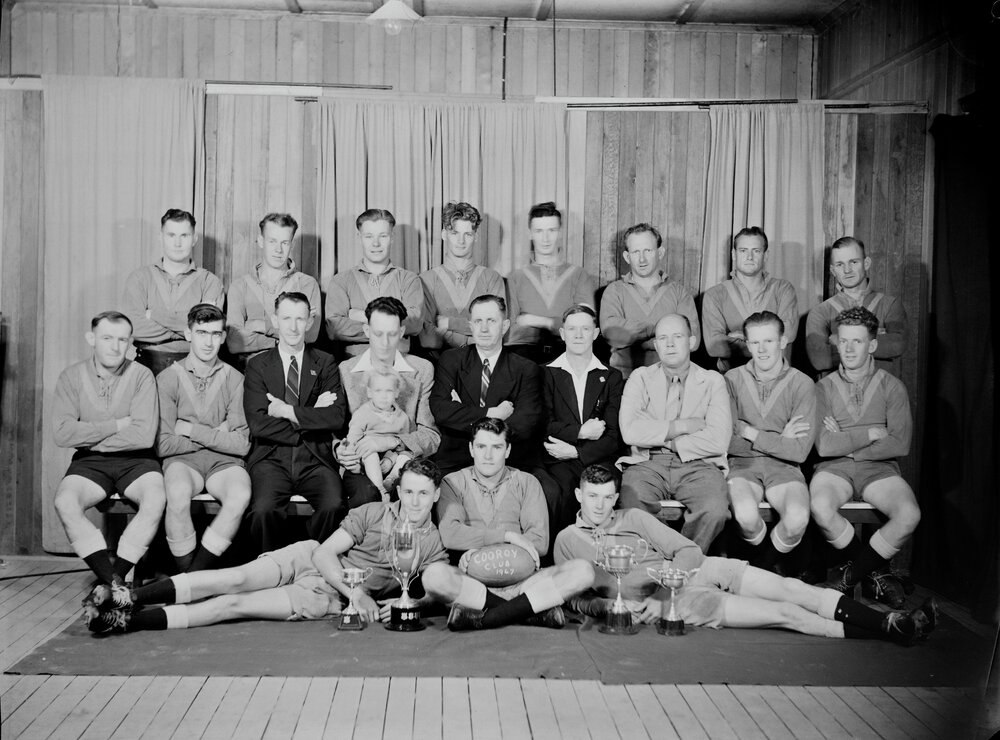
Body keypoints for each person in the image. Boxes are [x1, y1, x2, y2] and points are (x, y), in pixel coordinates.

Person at [554, 464, 937, 646]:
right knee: (786, 616)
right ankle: (892, 632)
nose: (601, 505)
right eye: (592, 496)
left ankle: (890, 623)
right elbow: (575, 597)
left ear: (615, 496)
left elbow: (687, 550)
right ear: (578, 495)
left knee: (792, 589)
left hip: (691, 574)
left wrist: (662, 589)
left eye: (607, 497)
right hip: (686, 603)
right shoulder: (569, 539)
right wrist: (605, 609)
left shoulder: (633, 515)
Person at [85, 458, 449, 633]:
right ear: (399, 490)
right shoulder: (372, 511)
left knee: (232, 605)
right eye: (409, 491)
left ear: (434, 497)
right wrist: (356, 594)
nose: (415, 501)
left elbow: (437, 592)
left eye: (424, 494)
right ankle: (129, 597)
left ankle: (127, 623)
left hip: (326, 597)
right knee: (231, 579)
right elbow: (324, 552)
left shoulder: (433, 542)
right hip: (311, 559)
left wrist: (411, 604)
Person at [422, 418, 595, 630]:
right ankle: (528, 612)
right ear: (471, 449)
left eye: (496, 447)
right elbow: (450, 534)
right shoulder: (453, 482)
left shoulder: (527, 482)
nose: (488, 455)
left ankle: (485, 618)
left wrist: (480, 546)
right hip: (474, 583)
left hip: (525, 584)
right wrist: (508, 536)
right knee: (434, 576)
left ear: (508, 450)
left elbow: (539, 543)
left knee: (582, 571)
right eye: (481, 446)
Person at [52, 311, 165, 610]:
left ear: (130, 342)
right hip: (90, 462)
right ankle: (114, 584)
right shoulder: (71, 377)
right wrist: (116, 425)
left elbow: (143, 436)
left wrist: (87, 433)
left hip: (137, 460)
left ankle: (113, 579)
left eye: (122, 340)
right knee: (65, 502)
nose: (115, 347)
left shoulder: (141, 375)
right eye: (107, 338)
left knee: (155, 498)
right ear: (92, 339)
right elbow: (63, 434)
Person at [810, 307, 918, 608]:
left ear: (872, 345)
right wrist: (870, 433)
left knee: (909, 515)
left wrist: (846, 444)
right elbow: (823, 446)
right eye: (843, 341)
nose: (848, 348)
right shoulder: (822, 388)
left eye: (857, 341)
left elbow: (900, 443)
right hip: (834, 469)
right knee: (820, 507)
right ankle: (877, 574)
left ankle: (850, 577)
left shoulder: (892, 386)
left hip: (879, 469)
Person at [243, 291, 348, 552]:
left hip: (315, 456)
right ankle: (271, 567)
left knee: (334, 505)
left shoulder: (325, 362)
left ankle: (309, 560)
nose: (293, 326)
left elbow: (335, 417)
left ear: (309, 322)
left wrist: (286, 411)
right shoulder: (257, 365)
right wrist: (312, 414)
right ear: (275, 320)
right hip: (271, 456)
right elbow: (258, 424)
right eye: (286, 318)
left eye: (300, 319)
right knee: (262, 511)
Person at [617, 314, 732, 552]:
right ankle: (669, 561)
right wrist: (682, 426)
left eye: (677, 337)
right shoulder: (640, 378)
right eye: (663, 338)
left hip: (699, 465)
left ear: (691, 342)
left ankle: (682, 563)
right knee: (632, 501)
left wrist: (666, 439)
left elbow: (718, 440)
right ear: (656, 345)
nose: (669, 344)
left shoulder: (712, 381)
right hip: (647, 463)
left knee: (715, 509)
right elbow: (629, 431)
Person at [156, 304, 251, 572]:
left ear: (222, 337)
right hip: (183, 461)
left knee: (240, 494)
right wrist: (216, 434)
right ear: (188, 334)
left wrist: (190, 429)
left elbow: (241, 444)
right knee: (176, 493)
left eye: (214, 334)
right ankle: (187, 571)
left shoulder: (236, 379)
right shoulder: (167, 378)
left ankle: (194, 577)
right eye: (201, 333)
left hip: (225, 462)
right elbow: (164, 444)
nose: (208, 342)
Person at [725, 311, 816, 573]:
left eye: (768, 341)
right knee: (745, 515)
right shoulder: (731, 379)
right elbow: (727, 442)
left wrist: (752, 433)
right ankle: (767, 571)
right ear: (747, 343)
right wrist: (779, 439)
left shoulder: (802, 383)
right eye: (754, 342)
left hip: (785, 468)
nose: (762, 349)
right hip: (742, 465)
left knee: (798, 519)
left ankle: (758, 571)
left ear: (783, 341)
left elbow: (798, 452)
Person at [533, 304, 624, 550]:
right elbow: (544, 424)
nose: (578, 335)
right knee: (560, 491)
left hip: (598, 457)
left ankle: (604, 558)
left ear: (595, 333)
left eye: (585, 328)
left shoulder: (611, 377)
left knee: (604, 490)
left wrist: (578, 452)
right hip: (556, 458)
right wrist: (581, 432)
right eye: (572, 329)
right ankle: (561, 558)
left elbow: (614, 435)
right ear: (562, 334)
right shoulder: (545, 374)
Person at [338, 297, 440, 504]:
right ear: (366, 331)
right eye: (378, 334)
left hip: (407, 461)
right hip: (360, 462)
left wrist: (392, 442)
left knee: (413, 494)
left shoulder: (422, 370)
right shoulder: (346, 371)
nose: (385, 343)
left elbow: (431, 436)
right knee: (367, 495)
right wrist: (342, 450)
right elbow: (337, 430)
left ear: (402, 332)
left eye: (392, 334)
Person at [430, 294, 542, 476]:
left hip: (506, 456)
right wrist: (492, 414)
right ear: (470, 325)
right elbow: (441, 409)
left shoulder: (525, 368)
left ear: (505, 326)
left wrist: (469, 418)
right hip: (457, 454)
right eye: (478, 321)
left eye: (491, 321)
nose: (483, 328)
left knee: (547, 491)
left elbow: (525, 422)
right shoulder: (451, 360)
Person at [122, 209, 225, 376]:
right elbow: (132, 328)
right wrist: (188, 330)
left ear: (194, 239)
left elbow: (206, 329)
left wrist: (153, 315)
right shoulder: (140, 278)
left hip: (195, 368)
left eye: (184, 236)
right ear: (160, 237)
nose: (177, 243)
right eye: (171, 235)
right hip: (147, 366)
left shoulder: (209, 282)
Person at [599, 223, 700, 378]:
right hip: (624, 379)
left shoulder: (679, 292)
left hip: (671, 379)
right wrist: (660, 331)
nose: (642, 259)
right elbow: (611, 333)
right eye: (635, 252)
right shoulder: (614, 291)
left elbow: (693, 341)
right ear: (627, 256)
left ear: (660, 252)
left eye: (648, 250)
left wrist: (634, 339)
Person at [226, 213, 322, 371]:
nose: (278, 250)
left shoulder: (307, 284)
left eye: (285, 243)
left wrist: (261, 326)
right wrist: (288, 336)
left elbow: (310, 336)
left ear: (291, 244)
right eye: (272, 241)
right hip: (250, 370)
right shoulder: (239, 286)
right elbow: (235, 342)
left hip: (294, 369)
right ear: (261, 241)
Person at [506, 202, 597, 365]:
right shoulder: (516, 277)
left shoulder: (579, 275)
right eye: (539, 231)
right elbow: (511, 331)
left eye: (552, 230)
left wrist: (536, 321)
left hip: (568, 354)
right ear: (530, 234)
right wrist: (560, 324)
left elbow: (583, 325)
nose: (545, 239)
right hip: (524, 356)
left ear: (560, 232)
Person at [325, 208, 424, 357]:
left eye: (383, 236)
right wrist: (391, 326)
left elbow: (414, 323)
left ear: (392, 237)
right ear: (359, 237)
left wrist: (360, 315)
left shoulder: (409, 280)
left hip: (400, 365)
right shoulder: (341, 281)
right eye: (369, 236)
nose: (376, 243)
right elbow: (334, 328)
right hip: (353, 366)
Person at [805, 236, 907, 377]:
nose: (847, 270)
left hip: (879, 392)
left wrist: (838, 341)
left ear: (866, 263)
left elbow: (897, 345)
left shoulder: (890, 304)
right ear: (833, 270)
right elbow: (820, 360)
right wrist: (874, 340)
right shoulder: (820, 312)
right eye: (840, 264)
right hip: (836, 395)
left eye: (853, 262)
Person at [701, 227, 798, 373]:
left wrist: (738, 336)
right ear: (734, 254)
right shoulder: (714, 295)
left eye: (756, 251)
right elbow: (714, 346)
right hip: (731, 380)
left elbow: (788, 334)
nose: (749, 257)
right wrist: (769, 342)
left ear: (766, 255)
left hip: (776, 378)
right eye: (743, 250)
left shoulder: (783, 289)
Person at [418, 202, 507, 357]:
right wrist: (469, 339)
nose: (461, 241)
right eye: (455, 233)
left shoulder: (491, 278)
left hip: (481, 360)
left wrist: (449, 324)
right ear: (444, 235)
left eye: (468, 234)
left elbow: (497, 332)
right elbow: (428, 339)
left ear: (476, 236)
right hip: (439, 361)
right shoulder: (426, 279)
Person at [345, 368, 413, 500]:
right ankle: (380, 489)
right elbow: (352, 440)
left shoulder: (402, 417)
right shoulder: (362, 414)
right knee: (370, 453)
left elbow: (404, 444)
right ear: (369, 392)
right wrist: (354, 461)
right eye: (378, 391)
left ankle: (391, 479)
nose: (384, 396)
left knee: (406, 458)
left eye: (389, 391)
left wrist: (390, 459)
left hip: (390, 459)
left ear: (397, 393)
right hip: (366, 458)